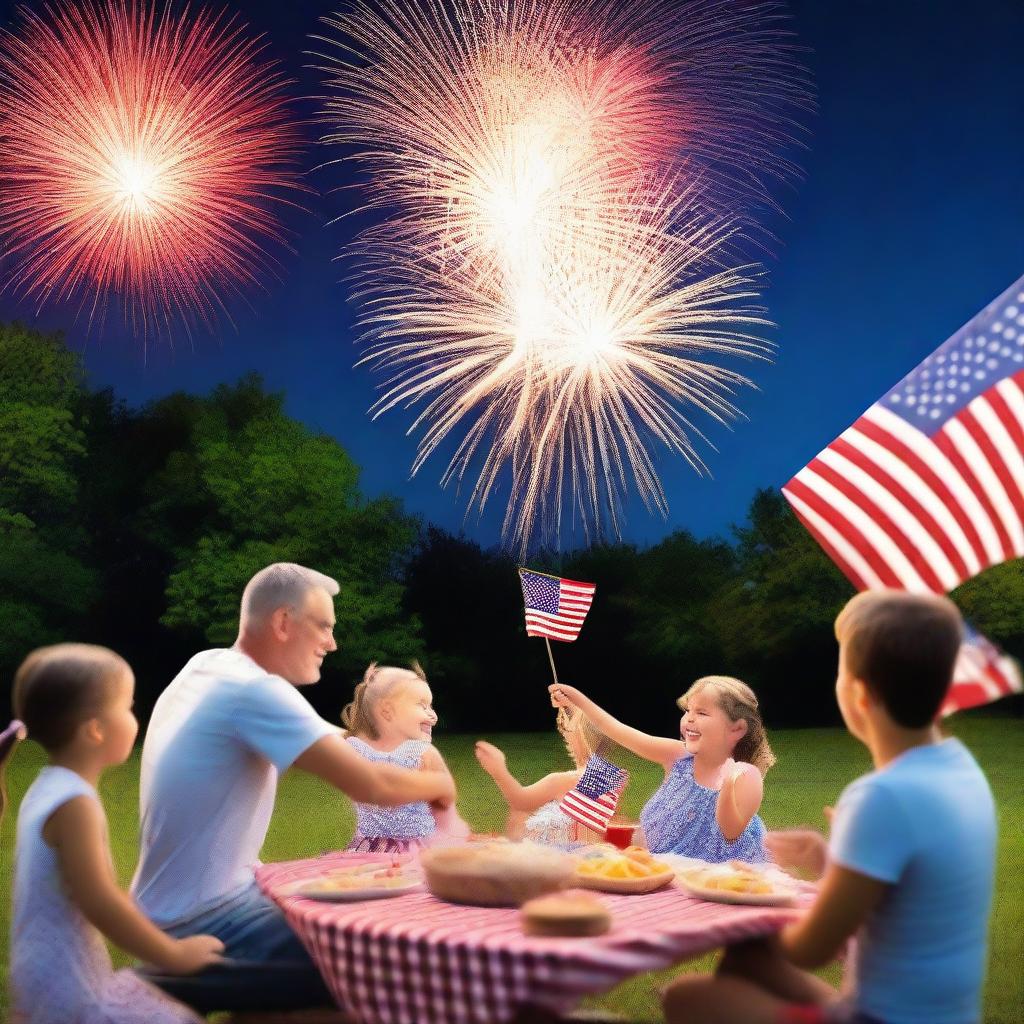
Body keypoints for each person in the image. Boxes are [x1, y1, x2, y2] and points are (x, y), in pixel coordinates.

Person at [131, 563, 456, 1015]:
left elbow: (330, 740)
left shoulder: (207, 666)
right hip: (199, 922)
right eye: (323, 626)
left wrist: (386, 732)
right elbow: (372, 784)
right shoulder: (254, 691)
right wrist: (438, 782)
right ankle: (153, 988)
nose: (332, 643)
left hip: (176, 906)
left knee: (355, 921)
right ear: (283, 622)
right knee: (398, 963)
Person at [662, 590, 998, 1024]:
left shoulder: (881, 797)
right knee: (747, 961)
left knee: (686, 996)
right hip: (943, 1012)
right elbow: (904, 888)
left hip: (878, 1017)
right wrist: (828, 859)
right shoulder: (961, 771)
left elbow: (812, 948)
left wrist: (751, 901)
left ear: (858, 694)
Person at [5, 644, 223, 1024]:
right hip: (68, 983)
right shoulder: (74, 804)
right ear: (95, 730)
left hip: (38, 971)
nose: (134, 717)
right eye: (127, 706)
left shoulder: (46, 787)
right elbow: (101, 903)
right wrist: (175, 955)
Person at [549, 676, 773, 862]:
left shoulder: (745, 776)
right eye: (688, 711)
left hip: (720, 880)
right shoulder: (677, 756)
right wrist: (575, 699)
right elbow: (618, 731)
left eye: (702, 713)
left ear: (737, 729)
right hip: (663, 872)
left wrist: (727, 783)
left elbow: (730, 832)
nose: (689, 720)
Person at [341, 661, 469, 852]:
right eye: (422, 706)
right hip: (413, 851)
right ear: (387, 711)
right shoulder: (425, 754)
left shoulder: (351, 749)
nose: (433, 716)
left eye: (431, 706)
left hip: (367, 850)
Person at [475, 704, 617, 846]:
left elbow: (520, 801)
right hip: (590, 853)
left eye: (567, 727)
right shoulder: (607, 777)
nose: (564, 731)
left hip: (566, 859)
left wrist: (498, 770)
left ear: (580, 736)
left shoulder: (565, 781)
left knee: (518, 817)